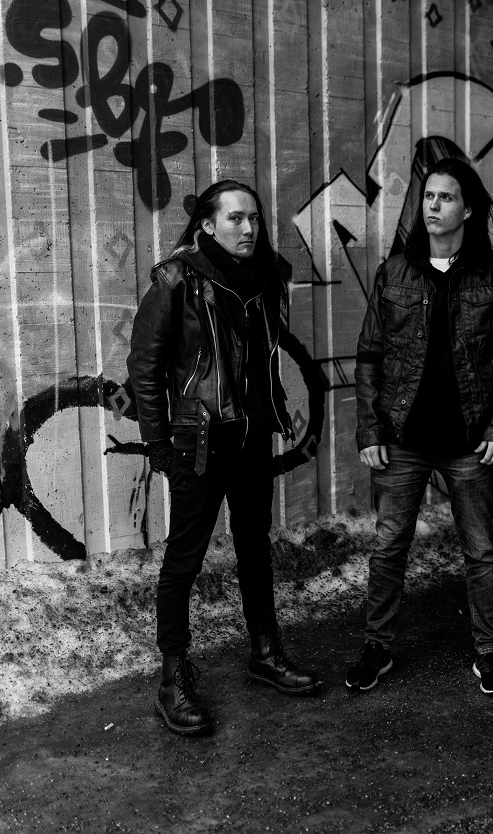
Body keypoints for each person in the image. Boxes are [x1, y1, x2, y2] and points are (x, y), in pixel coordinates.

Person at [127, 179, 320, 737]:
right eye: (235, 218)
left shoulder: (263, 278)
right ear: (208, 224)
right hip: (201, 443)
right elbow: (145, 368)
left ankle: (265, 653)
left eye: (254, 218)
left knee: (255, 548)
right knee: (183, 561)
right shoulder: (176, 280)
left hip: (251, 441)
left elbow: (262, 360)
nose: (248, 228)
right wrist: (159, 443)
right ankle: (172, 680)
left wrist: (274, 411)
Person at [349, 157, 493, 696]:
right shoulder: (395, 272)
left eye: (446, 197)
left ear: (467, 209)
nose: (433, 205)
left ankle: (490, 651)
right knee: (388, 546)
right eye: (428, 196)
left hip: (470, 442)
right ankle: (377, 647)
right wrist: (370, 430)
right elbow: (370, 356)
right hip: (403, 439)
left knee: (481, 550)